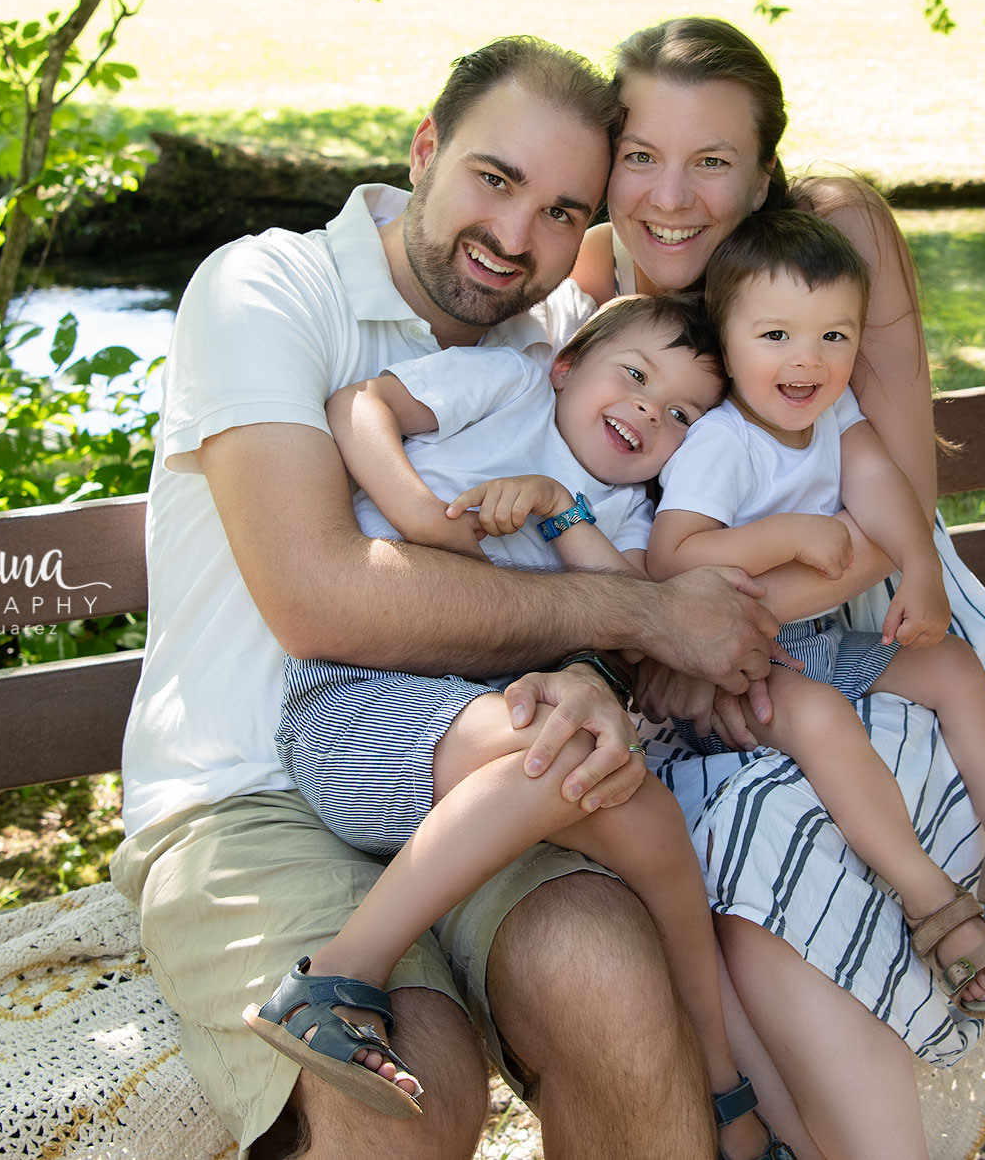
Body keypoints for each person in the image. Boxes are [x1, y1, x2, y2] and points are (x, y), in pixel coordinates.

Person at [111, 35, 790, 1160]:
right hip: (252, 791)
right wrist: (633, 621)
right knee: (407, 1085)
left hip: (480, 766)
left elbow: (638, 503)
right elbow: (322, 601)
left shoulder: (551, 350)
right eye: (494, 178)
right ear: (424, 149)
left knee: (610, 982)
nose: (517, 237)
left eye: (566, 211)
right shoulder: (266, 286)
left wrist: (608, 662)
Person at [569, 17, 985, 1160]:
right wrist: (673, 640)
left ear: (764, 172)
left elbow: (877, 521)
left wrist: (692, 631)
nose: (670, 197)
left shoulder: (832, 235)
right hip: (710, 665)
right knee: (732, 829)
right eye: (641, 154)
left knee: (765, 826)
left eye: (712, 162)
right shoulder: (596, 272)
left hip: (888, 623)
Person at [248, 294, 785, 1159]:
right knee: (582, 751)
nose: (650, 409)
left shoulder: (631, 514)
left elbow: (637, 615)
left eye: (681, 412)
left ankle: (723, 1086)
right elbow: (359, 405)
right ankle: (338, 974)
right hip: (355, 707)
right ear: (566, 364)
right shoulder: (509, 383)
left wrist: (560, 507)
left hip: (484, 747)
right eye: (636, 375)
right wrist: (422, 516)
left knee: (641, 809)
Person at [646, 210, 985, 1022]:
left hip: (815, 643)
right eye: (776, 335)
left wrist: (924, 568)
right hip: (736, 669)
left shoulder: (831, 418)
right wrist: (786, 534)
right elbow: (672, 562)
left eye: (835, 336)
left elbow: (879, 483)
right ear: (726, 347)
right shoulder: (722, 444)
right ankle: (937, 909)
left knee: (951, 666)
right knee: (823, 718)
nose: (808, 359)